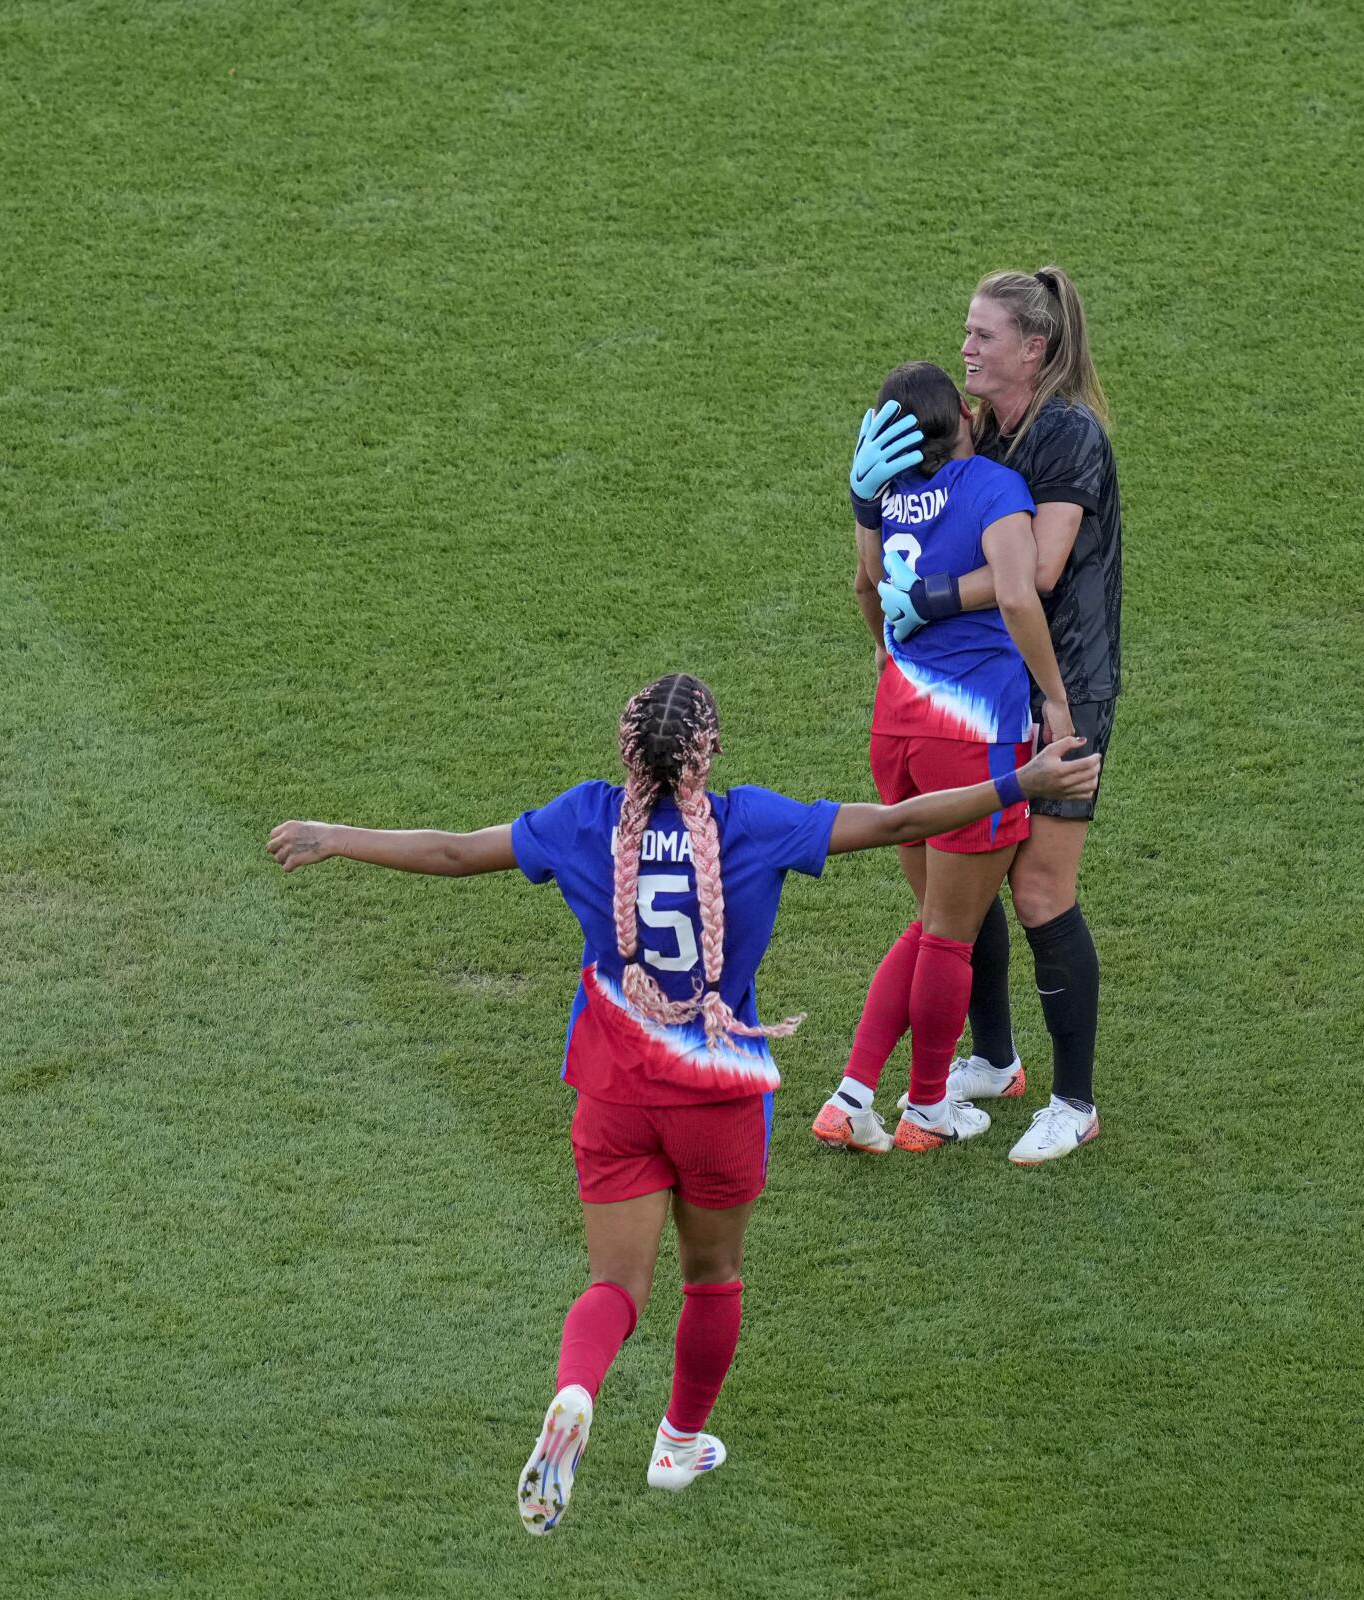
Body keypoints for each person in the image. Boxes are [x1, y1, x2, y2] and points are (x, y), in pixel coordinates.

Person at [266, 673, 1098, 1534]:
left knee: (616, 1286)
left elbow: (452, 852)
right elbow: (898, 822)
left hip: (617, 1098)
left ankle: (578, 1392)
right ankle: (678, 1443)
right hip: (720, 1102)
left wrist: (336, 836)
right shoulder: (755, 825)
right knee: (712, 1278)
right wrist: (1019, 784)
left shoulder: (583, 821)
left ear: (626, 753)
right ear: (710, 753)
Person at [851, 265, 1123, 1166]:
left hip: (1066, 684)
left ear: (1033, 349)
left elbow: (1037, 573)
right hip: (1002, 691)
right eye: (965, 333)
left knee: (1042, 889)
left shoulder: (1068, 435)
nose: (964, 346)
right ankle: (996, 1059)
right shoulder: (986, 436)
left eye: (983, 335)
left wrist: (924, 597)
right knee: (978, 867)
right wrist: (868, 511)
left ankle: (1074, 1101)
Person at [814, 361, 1076, 1157]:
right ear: (963, 415)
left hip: (895, 728)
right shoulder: (994, 487)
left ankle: (861, 1096)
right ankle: (921, 1106)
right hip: (973, 736)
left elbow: (866, 589)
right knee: (947, 936)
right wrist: (1056, 700)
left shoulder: (887, 503)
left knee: (936, 922)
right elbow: (1019, 593)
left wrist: (899, 663)